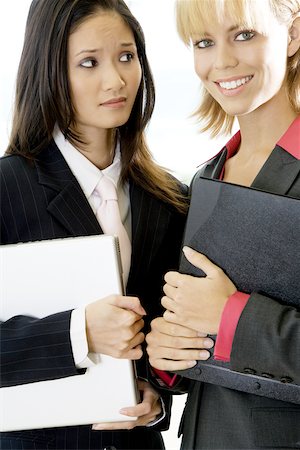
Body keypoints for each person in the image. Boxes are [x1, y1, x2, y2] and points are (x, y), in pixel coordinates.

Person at [0, 0, 189, 449]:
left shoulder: (170, 199)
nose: (116, 80)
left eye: (127, 56)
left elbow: (179, 342)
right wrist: (78, 331)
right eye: (89, 63)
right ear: (49, 73)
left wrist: (156, 396)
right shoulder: (7, 189)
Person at [146, 0, 300, 448]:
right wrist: (170, 356)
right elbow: (215, 352)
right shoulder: (208, 176)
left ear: (292, 35)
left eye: (244, 35)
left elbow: (225, 321)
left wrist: (228, 315)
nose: (222, 61)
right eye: (204, 43)